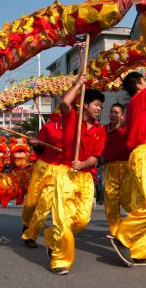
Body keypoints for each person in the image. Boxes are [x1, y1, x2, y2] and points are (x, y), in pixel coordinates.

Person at [109, 44, 146, 267]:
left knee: (143, 204)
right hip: (144, 155)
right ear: (138, 85)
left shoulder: (137, 105)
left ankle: (139, 252)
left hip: (142, 153)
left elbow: (145, 129)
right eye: (145, 81)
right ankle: (123, 235)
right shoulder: (140, 97)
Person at [44, 75, 106, 275]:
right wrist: (79, 84)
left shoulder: (100, 130)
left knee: (81, 220)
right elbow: (64, 102)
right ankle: (60, 260)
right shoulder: (72, 118)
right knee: (63, 218)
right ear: (85, 105)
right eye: (96, 105)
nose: (98, 109)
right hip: (65, 173)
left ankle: (53, 237)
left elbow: (96, 157)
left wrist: (83, 164)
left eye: (100, 106)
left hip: (86, 176)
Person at [22, 111, 64, 248]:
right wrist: (35, 144)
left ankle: (31, 235)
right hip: (42, 168)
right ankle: (26, 224)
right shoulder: (49, 128)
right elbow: (39, 150)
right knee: (32, 202)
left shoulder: (76, 131)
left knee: (44, 205)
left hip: (59, 171)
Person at [101, 104, 130, 238]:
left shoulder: (127, 129)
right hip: (111, 167)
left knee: (127, 199)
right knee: (110, 199)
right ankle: (114, 230)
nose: (113, 115)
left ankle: (135, 226)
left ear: (122, 115)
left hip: (127, 167)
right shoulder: (104, 129)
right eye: (111, 112)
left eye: (116, 113)